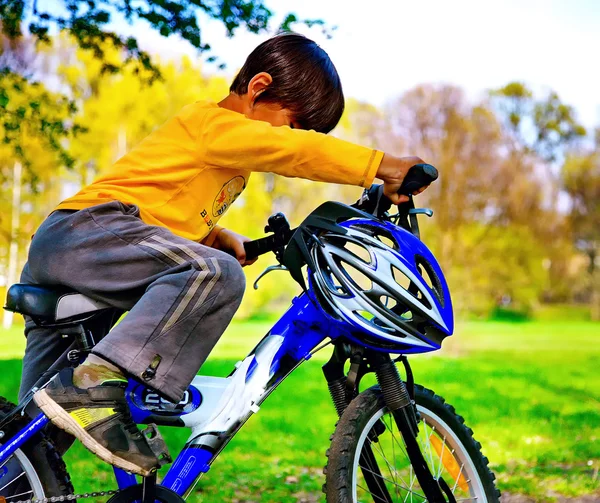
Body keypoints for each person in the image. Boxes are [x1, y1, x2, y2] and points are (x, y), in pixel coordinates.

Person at [21, 32, 428, 476]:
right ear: (257, 88)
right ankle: (96, 384)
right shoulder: (212, 123)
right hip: (85, 233)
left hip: (80, 253)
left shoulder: (225, 155)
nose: (293, 137)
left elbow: (161, 203)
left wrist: (210, 233)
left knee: (36, 441)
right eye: (294, 124)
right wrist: (381, 166)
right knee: (216, 275)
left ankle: (25, 461)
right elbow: (293, 152)